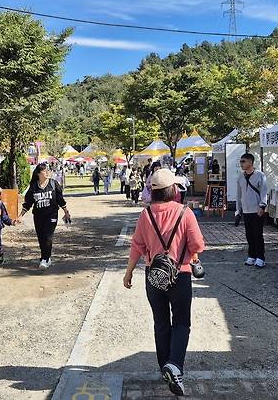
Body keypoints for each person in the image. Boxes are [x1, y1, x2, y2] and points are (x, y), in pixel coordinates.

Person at [123, 169, 206, 397]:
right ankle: (175, 365)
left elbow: (137, 246)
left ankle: (165, 368)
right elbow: (197, 244)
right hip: (181, 275)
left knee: (161, 323)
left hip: (154, 276)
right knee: (181, 322)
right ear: (173, 189)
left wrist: (128, 273)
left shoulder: (145, 214)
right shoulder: (185, 213)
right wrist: (193, 254)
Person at [17, 163, 71, 269]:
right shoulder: (33, 187)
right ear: (38, 173)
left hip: (51, 214)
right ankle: (47, 257)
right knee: (41, 238)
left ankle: (44, 259)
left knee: (48, 237)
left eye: (47, 170)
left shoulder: (53, 183)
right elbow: (28, 203)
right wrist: (20, 216)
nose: (47, 172)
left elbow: (60, 200)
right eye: (44, 170)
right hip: (38, 216)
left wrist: (66, 212)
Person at [236, 153, 268, 268]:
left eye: (243, 161)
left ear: (250, 162)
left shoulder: (260, 175)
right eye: (240, 161)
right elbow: (238, 194)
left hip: (257, 209)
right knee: (249, 234)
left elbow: (264, 192)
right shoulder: (240, 176)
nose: (241, 164)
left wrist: (262, 206)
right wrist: (238, 210)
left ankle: (260, 257)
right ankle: (251, 255)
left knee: (258, 234)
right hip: (246, 210)